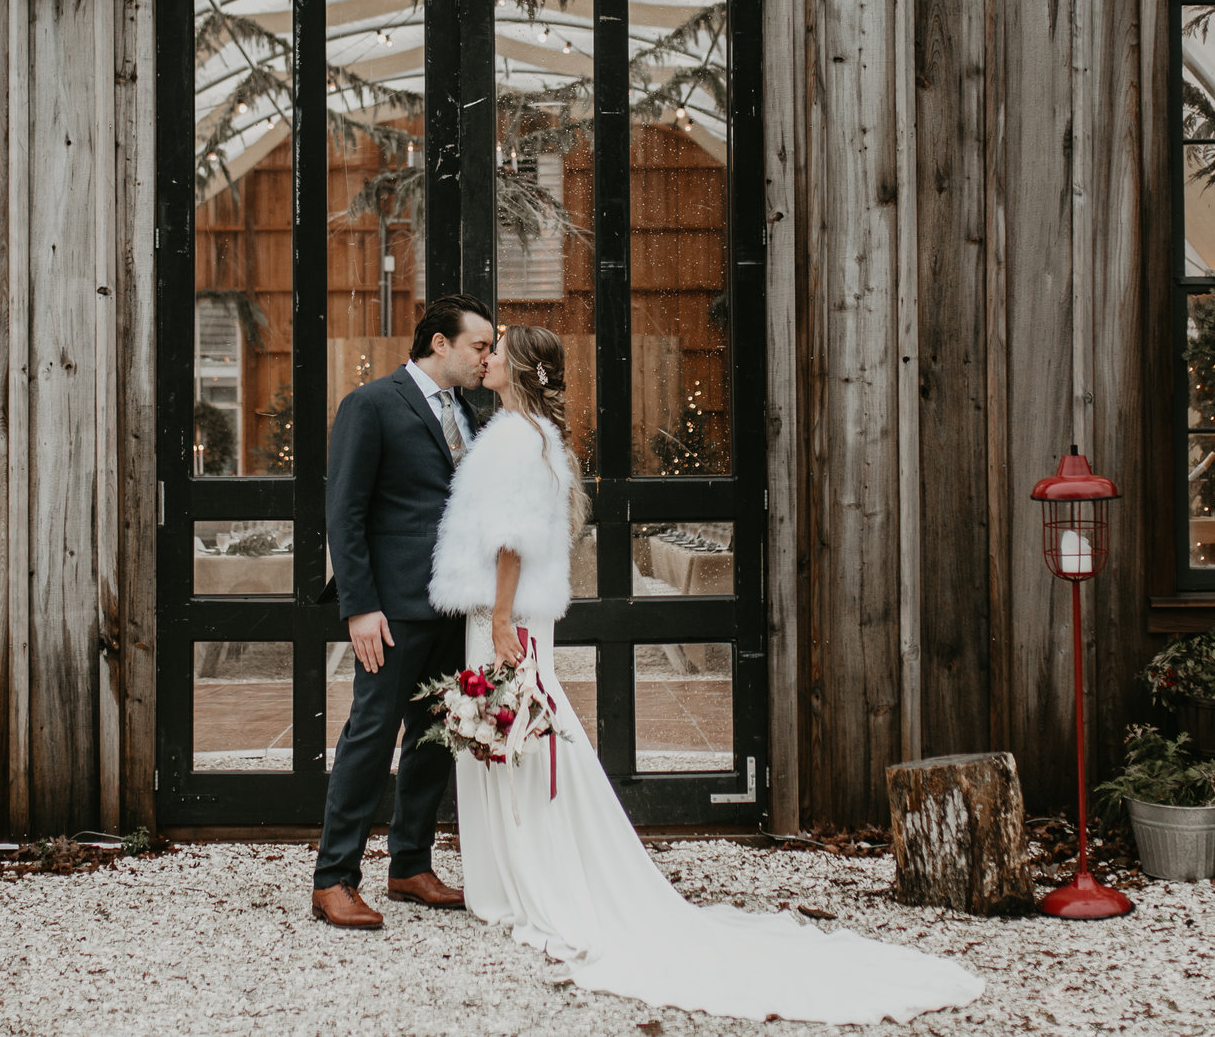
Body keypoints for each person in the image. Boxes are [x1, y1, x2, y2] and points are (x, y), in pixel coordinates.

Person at [426, 324, 987, 1023]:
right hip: (505, 614)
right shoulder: (531, 436)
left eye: (499, 347)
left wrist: (503, 616)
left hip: (504, 616)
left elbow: (509, 538)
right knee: (521, 737)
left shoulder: (515, 438)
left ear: (523, 368)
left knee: (521, 738)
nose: (489, 354)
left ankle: (532, 880)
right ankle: (525, 872)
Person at [310, 293, 497, 929]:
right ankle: (333, 878)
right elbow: (346, 513)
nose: (487, 357)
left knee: (433, 738)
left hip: (454, 604)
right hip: (391, 612)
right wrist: (360, 608)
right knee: (370, 735)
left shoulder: (470, 412)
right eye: (479, 345)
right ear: (439, 343)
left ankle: (410, 865)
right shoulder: (370, 405)